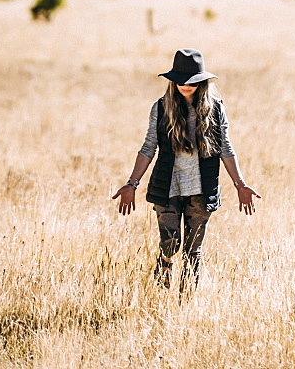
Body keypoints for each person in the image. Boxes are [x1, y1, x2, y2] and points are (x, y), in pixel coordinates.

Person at [112, 47, 261, 292]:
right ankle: (165, 266)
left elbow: (225, 147)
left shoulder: (214, 108)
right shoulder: (160, 108)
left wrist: (240, 185)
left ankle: (185, 302)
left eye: (191, 81)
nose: (185, 85)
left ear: (201, 82)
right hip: (167, 187)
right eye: (180, 81)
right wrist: (132, 184)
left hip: (201, 190)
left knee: (194, 251)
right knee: (171, 244)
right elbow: (149, 147)